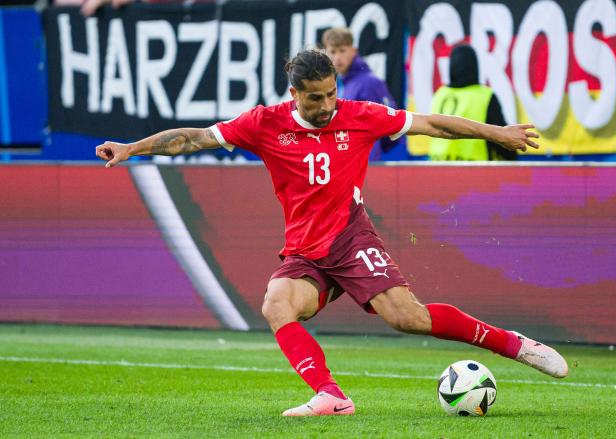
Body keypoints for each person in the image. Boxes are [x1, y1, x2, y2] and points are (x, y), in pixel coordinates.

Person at [96, 49, 567, 417]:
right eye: (314, 97)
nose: (325, 105)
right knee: (276, 304)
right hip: (305, 249)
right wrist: (132, 148)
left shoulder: (360, 115)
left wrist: (496, 132)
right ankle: (331, 396)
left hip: (350, 237)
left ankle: (516, 345)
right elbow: (194, 137)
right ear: (294, 92)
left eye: (330, 93)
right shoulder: (264, 124)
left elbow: (431, 124)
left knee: (407, 318)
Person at [322, 27, 405, 161]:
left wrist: (372, 152)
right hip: (345, 166)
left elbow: (394, 128)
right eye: (333, 52)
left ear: (353, 51)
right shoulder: (337, 84)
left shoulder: (371, 83)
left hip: (367, 166)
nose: (337, 57)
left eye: (342, 51)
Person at [429, 44, 517, 161]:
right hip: (476, 171)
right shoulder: (485, 96)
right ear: (474, 66)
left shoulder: (440, 94)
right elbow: (500, 136)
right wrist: (512, 158)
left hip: (438, 168)